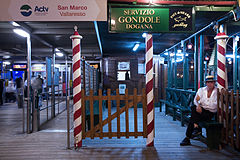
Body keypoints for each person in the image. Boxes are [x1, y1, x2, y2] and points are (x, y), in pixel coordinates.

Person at [180, 75, 217, 146]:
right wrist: (198, 105)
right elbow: (195, 100)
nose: (210, 84)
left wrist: (202, 105)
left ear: (214, 83)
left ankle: (189, 135)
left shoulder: (217, 91)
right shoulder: (202, 90)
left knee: (192, 119)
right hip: (201, 110)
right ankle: (194, 127)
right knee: (193, 107)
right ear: (206, 83)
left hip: (210, 113)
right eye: (208, 82)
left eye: (211, 82)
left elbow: (214, 106)